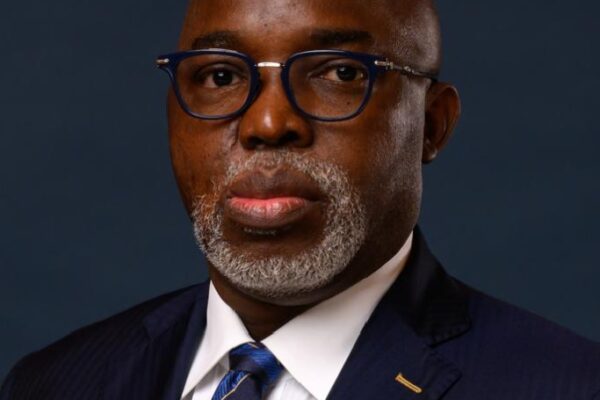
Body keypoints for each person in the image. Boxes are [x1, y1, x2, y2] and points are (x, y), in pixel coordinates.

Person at [2, 0, 599, 399]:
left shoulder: (567, 386)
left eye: (339, 73)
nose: (267, 122)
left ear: (432, 125)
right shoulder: (52, 384)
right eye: (220, 76)